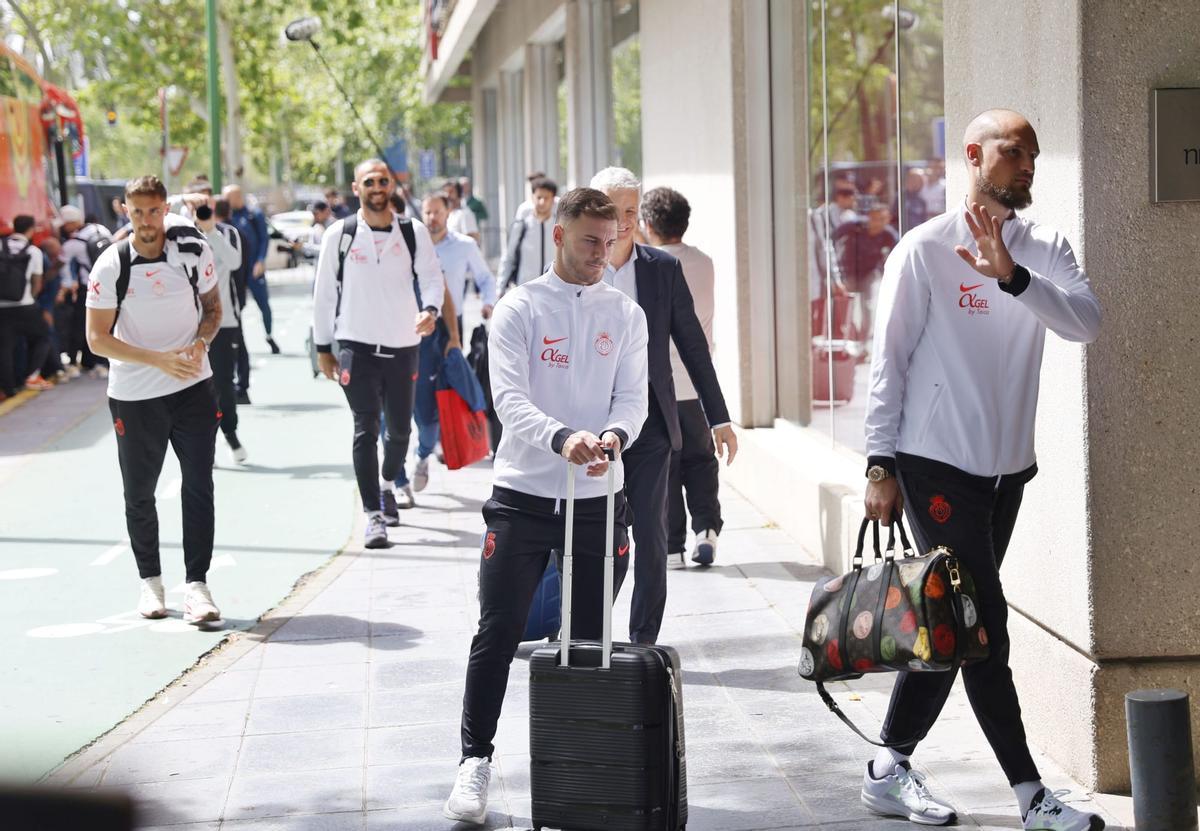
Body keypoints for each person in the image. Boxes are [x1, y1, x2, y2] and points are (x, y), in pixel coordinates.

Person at [861, 109, 1103, 830]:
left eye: (1034, 153)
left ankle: (887, 764)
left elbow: (1086, 321)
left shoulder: (1044, 247)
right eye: (1012, 151)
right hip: (934, 464)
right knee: (983, 623)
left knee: (947, 623)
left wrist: (1016, 278)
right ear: (972, 155)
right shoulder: (926, 249)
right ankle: (1032, 795)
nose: (1027, 163)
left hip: (1007, 471)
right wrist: (879, 461)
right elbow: (890, 360)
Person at [443, 187, 649, 824]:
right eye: (590, 240)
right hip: (524, 498)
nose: (602, 253)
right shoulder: (518, 308)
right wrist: (563, 439)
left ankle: (583, 769)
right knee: (498, 630)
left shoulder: (625, 313)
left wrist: (613, 438)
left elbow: (633, 400)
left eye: (610, 240)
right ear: (558, 235)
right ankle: (474, 762)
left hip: (598, 499)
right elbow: (508, 400)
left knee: (590, 641)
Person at [589, 167, 738, 645]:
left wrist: (719, 417)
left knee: (652, 536)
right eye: (614, 211)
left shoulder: (662, 269)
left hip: (650, 421)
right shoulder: (574, 267)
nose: (624, 221)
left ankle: (642, 644)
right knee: (594, 535)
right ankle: (587, 635)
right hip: (589, 423)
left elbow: (693, 347)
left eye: (632, 211)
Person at [84, 175, 224, 624]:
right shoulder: (110, 266)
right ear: (125, 211)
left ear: (166, 210)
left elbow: (214, 309)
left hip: (194, 389)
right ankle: (150, 583)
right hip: (135, 396)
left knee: (199, 484)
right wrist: (157, 360)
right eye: (137, 211)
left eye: (153, 211)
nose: (146, 221)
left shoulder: (193, 252)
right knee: (139, 493)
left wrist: (200, 344)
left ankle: (197, 586)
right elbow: (96, 339)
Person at [312, 159, 445, 550]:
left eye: (382, 180)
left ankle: (389, 483)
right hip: (355, 346)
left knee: (400, 431)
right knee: (365, 427)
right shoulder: (341, 234)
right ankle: (373, 515)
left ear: (391, 186)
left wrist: (431, 310)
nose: (376, 186)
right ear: (356, 188)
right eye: (368, 181)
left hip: (404, 345)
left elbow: (433, 278)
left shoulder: (412, 231)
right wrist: (324, 347)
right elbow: (324, 294)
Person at [386, 191, 496, 507]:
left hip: (447, 330)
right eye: (427, 212)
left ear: (449, 213)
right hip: (398, 331)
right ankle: (397, 479)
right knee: (392, 410)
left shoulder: (464, 246)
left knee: (439, 404)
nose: (432, 218)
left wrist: (487, 305)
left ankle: (427, 450)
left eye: (437, 212)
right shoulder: (410, 244)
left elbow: (482, 281)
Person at [641, 187, 724, 566]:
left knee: (667, 463)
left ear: (647, 224)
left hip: (660, 387)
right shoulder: (704, 262)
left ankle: (672, 546)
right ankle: (705, 529)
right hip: (696, 384)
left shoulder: (653, 267)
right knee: (701, 460)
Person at [194, 195, 248, 464]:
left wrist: (210, 230)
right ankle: (206, 442)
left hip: (223, 324)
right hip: (188, 327)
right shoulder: (178, 235)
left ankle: (230, 432)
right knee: (196, 389)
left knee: (223, 385)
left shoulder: (226, 233)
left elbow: (235, 262)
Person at [222, 184, 279, 355]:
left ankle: (269, 336)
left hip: (254, 270)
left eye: (230, 198)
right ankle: (236, 343)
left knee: (264, 305)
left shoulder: (254, 215)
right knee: (236, 308)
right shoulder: (226, 218)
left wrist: (260, 261)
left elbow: (264, 239)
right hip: (236, 273)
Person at [60, 204, 114, 378]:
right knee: (108, 325)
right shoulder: (102, 230)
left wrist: (67, 286)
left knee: (83, 326)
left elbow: (64, 266)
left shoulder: (73, 243)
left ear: (71, 223)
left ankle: (76, 363)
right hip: (111, 285)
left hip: (88, 288)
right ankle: (102, 362)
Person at [0, 214, 51, 398]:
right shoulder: (33, 251)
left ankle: (8, 388)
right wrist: (30, 298)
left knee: (4, 347)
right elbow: (36, 281)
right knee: (43, 336)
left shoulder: (1, 244)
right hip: (25, 305)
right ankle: (32, 375)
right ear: (31, 229)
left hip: (2, 307)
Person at [499, 177, 557, 289]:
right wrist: (500, 287)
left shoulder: (560, 226)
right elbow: (509, 256)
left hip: (553, 290)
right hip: (526, 289)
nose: (542, 202)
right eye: (539, 197)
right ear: (532, 197)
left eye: (546, 198)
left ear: (553, 199)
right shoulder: (521, 225)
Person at [443, 180, 481, 245]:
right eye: (445, 192)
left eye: (451, 192)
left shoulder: (465, 214)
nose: (447, 195)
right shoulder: (447, 215)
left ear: (459, 194)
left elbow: (473, 240)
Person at [893, 167, 930, 232]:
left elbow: (924, 220)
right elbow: (893, 217)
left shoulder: (922, 199)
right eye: (913, 179)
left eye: (919, 180)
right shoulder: (900, 196)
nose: (916, 183)